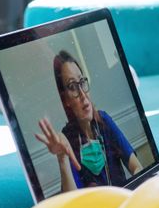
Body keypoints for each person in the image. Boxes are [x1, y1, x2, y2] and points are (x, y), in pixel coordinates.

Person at [34, 50, 141, 191]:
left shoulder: (104, 121)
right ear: (65, 99)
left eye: (82, 82)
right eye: (72, 87)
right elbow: (72, 200)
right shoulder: (68, 139)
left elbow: (137, 166)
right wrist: (62, 159)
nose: (83, 95)